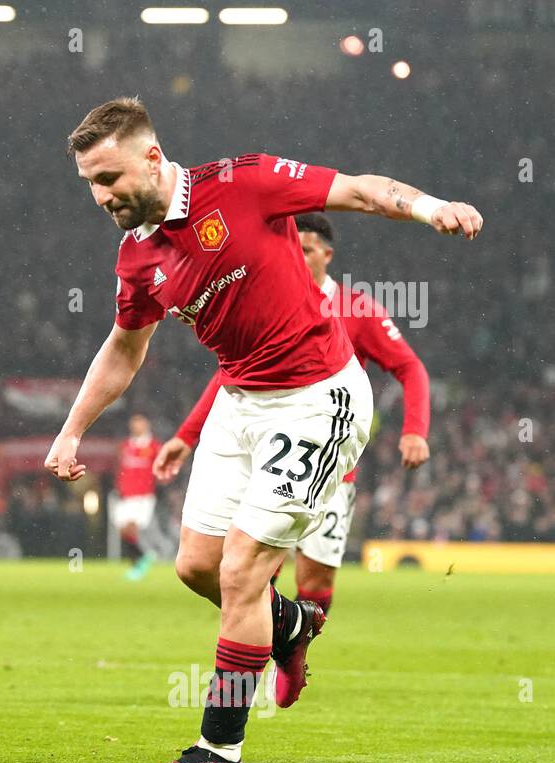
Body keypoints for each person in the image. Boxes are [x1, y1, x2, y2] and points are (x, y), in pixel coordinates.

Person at [43, 97, 481, 763]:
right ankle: (291, 627)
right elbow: (124, 350)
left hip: (317, 398)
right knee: (195, 566)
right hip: (240, 400)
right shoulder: (137, 259)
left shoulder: (242, 184)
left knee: (243, 571)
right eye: (89, 185)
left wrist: (432, 207)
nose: (100, 197)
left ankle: (218, 749)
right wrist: (72, 428)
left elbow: (359, 190)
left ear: (153, 158)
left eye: (109, 178)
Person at [156, 212, 432, 614]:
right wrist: (186, 436)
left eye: (306, 250)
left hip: (330, 466)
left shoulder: (357, 308)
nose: (298, 257)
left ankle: (291, 653)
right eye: (292, 248)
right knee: (251, 568)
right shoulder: (267, 298)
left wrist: (415, 430)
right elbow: (231, 374)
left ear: (327, 254)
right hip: (268, 452)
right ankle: (270, 651)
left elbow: (410, 368)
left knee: (315, 581)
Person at [114, 413, 161, 580]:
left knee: (132, 527)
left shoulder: (153, 446)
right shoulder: (126, 445)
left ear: (146, 425)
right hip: (125, 494)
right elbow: (120, 467)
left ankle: (144, 558)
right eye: (133, 423)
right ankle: (140, 561)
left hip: (143, 494)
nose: (136, 427)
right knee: (122, 531)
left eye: (139, 423)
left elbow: (162, 469)